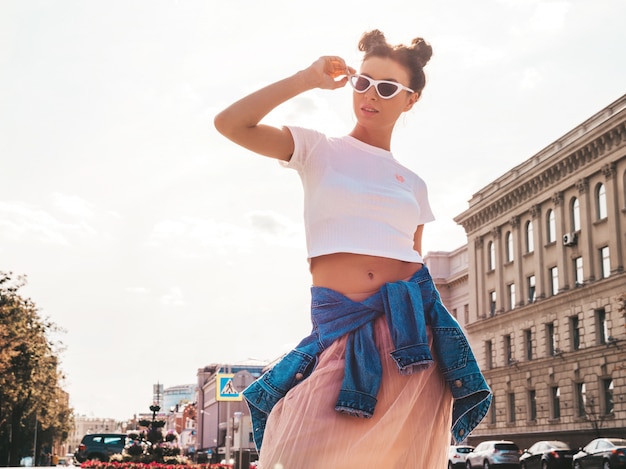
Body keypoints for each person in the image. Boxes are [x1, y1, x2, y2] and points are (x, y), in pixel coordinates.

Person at [214, 29, 491, 469]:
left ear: (410, 100)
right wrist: (306, 78)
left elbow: (415, 266)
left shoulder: (414, 185)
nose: (370, 95)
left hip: (411, 346)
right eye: (363, 82)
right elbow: (230, 124)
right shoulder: (318, 149)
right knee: (298, 455)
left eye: (386, 88)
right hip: (341, 336)